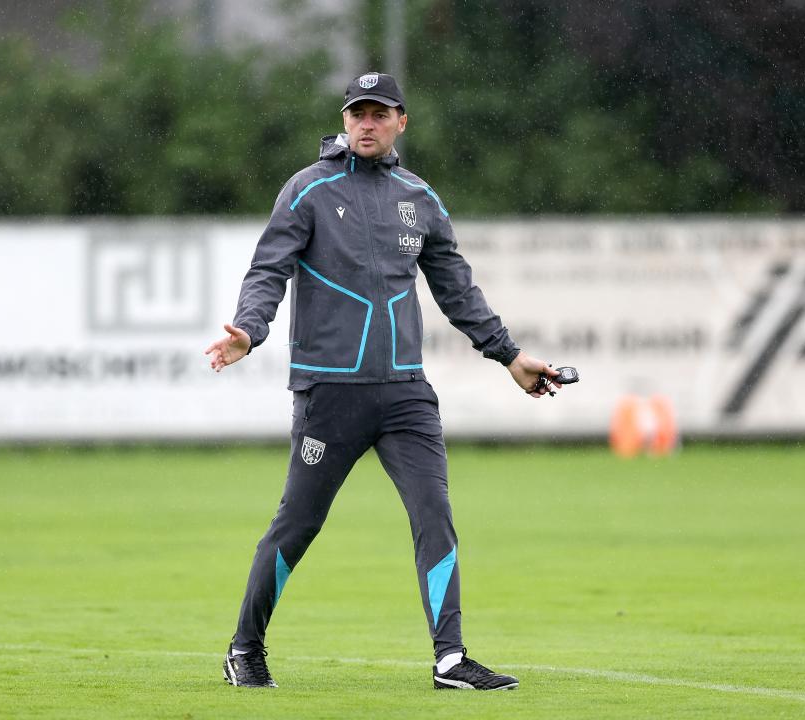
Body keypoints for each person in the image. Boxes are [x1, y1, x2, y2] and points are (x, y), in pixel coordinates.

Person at [206, 72, 560, 691]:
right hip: (330, 394)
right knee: (298, 525)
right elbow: (268, 269)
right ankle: (245, 647)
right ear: (344, 122)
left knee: (435, 516)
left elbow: (456, 288)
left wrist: (508, 356)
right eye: (357, 113)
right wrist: (249, 331)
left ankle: (450, 659)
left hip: (405, 394)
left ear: (402, 122)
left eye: (379, 113)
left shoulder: (418, 196)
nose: (366, 123)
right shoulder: (308, 190)